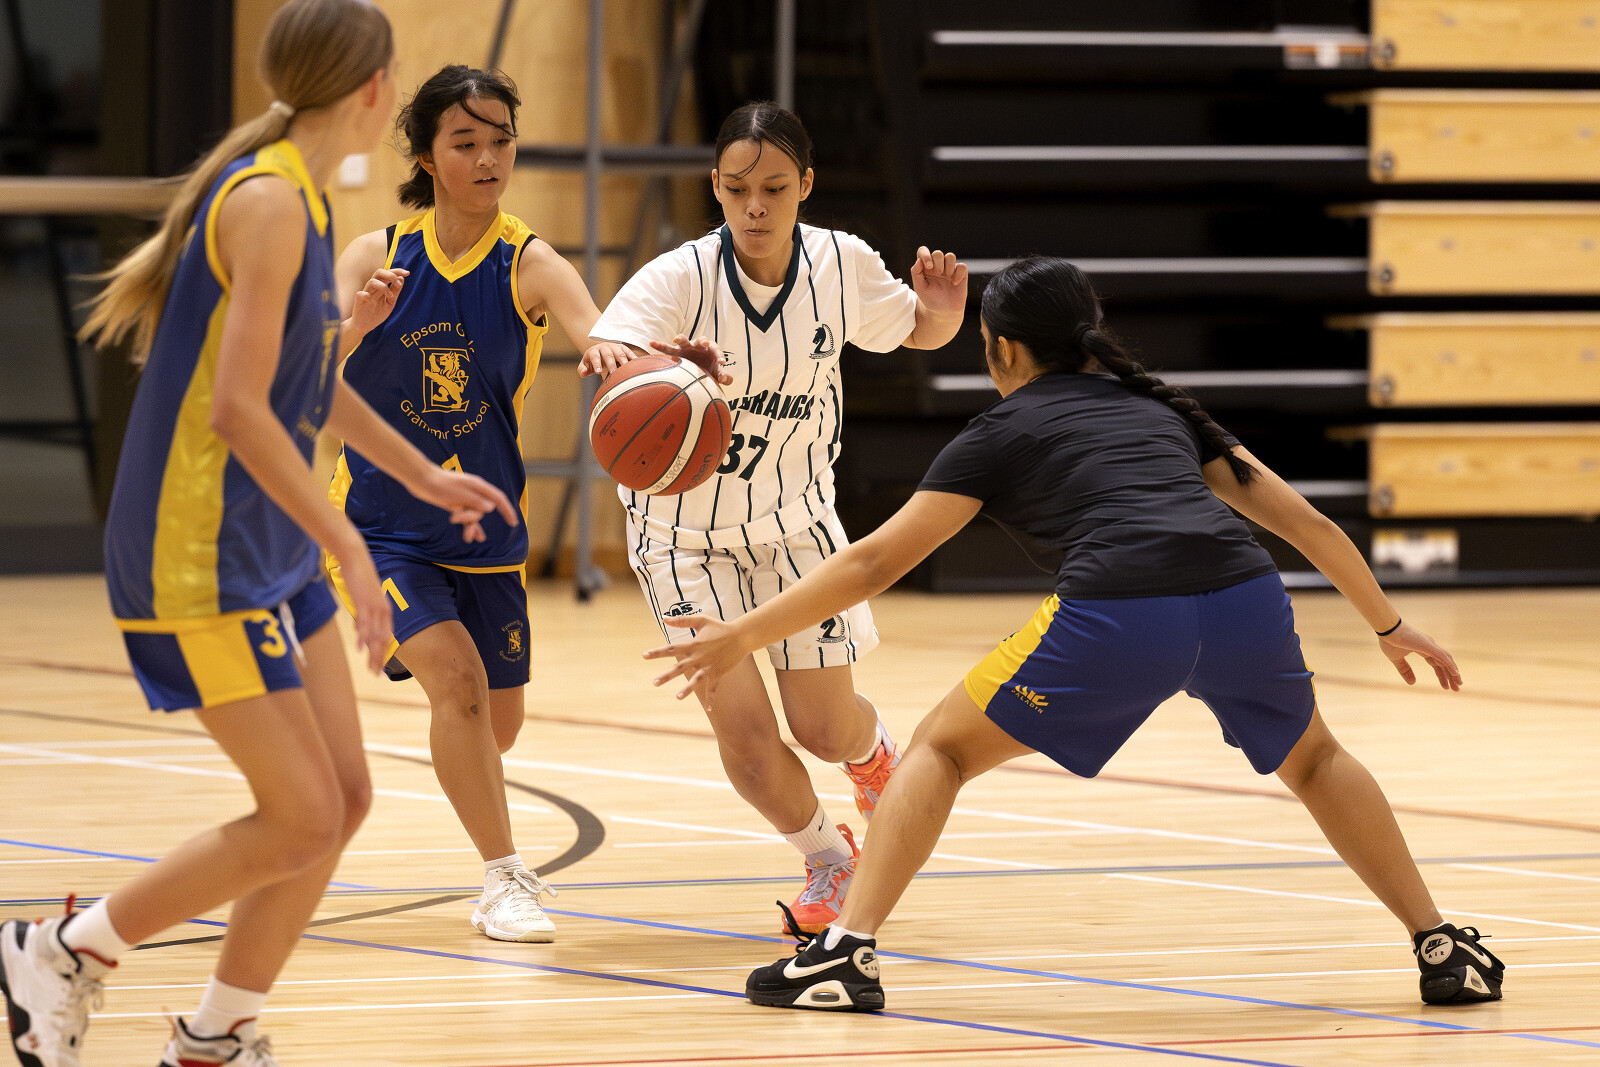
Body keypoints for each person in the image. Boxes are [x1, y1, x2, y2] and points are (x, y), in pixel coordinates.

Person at [647, 255, 1507, 1011]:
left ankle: (846, 952)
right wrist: (1390, 623)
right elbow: (1308, 524)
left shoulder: (998, 431)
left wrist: (741, 633)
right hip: (1245, 595)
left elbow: (873, 562)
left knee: (939, 751)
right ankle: (1440, 943)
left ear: (1003, 350)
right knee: (1315, 758)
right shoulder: (1163, 408)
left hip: (1124, 610)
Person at [0, 4, 518, 1066]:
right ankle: (60, 947)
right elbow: (241, 409)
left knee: (343, 798)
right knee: (300, 814)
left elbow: (303, 380)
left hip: (265, 543)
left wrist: (420, 472)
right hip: (194, 545)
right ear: (373, 89)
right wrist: (354, 545)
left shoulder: (303, 197)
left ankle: (215, 1033)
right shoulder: (272, 201)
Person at [584, 101, 968, 932]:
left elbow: (916, 332)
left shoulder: (841, 264)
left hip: (796, 527)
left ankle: (871, 758)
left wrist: (942, 314)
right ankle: (830, 861)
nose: (754, 207)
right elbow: (609, 352)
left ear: (806, 185)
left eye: (774, 188)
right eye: (735, 189)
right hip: (682, 540)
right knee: (749, 741)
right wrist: (648, 360)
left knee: (823, 728)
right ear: (715, 187)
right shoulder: (680, 277)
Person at [329, 64, 634, 942]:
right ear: (427, 157)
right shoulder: (372, 257)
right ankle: (505, 879)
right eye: (466, 142)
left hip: (486, 526)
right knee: (457, 686)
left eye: (501, 139)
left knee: (495, 726)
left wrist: (643, 364)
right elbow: (298, 373)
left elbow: (602, 335)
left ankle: (457, 758)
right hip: (378, 523)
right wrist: (356, 326)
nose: (489, 156)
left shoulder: (528, 261)